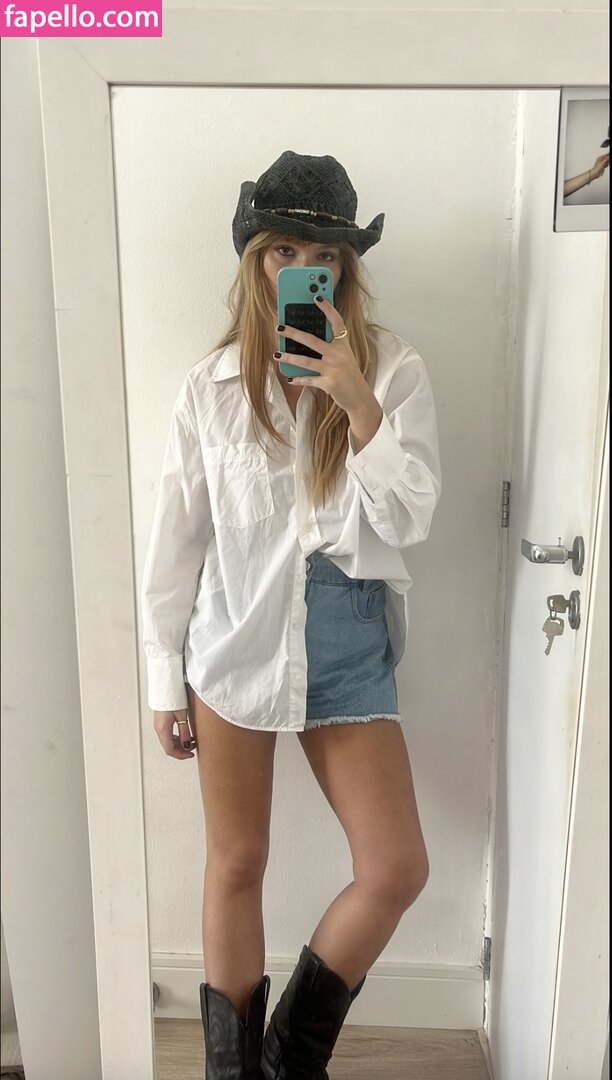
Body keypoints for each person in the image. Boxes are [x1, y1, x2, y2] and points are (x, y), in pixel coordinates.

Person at [141, 150, 442, 1079]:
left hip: (347, 637)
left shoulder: (393, 368)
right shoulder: (211, 388)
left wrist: (354, 396)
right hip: (233, 633)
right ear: (256, 260)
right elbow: (177, 542)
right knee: (236, 861)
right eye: (283, 250)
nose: (302, 267)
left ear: (345, 267)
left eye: (323, 254)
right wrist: (162, 677)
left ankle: (285, 1063)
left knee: (395, 867)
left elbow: (411, 518)